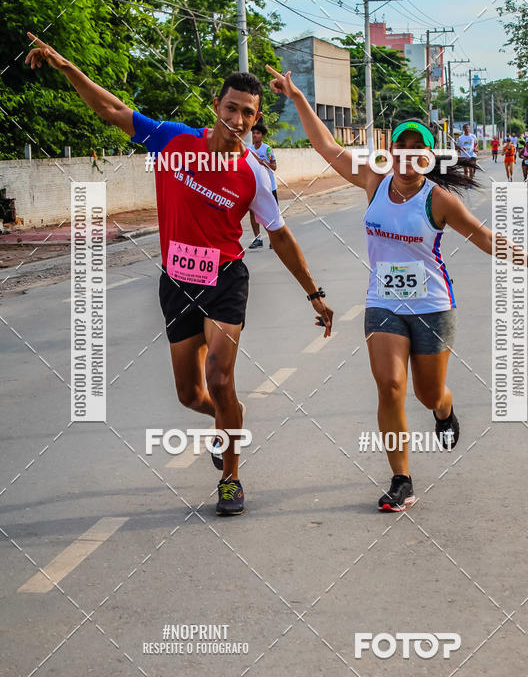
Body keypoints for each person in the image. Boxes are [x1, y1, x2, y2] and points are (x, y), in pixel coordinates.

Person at [26, 33, 333, 516]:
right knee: (193, 395)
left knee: (220, 375)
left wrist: (314, 293)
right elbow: (111, 109)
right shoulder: (173, 139)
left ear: (256, 119)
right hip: (177, 282)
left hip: (226, 279)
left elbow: (279, 236)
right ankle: (229, 418)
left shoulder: (254, 174)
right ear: (216, 106)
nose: (237, 120)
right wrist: (67, 65)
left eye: (248, 113)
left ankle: (230, 478)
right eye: (231, 108)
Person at [266, 64, 528, 513]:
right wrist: (297, 98)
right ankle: (401, 479)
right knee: (390, 386)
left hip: (432, 306)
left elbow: (489, 240)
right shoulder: (373, 181)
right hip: (383, 304)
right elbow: (328, 147)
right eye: (402, 147)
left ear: (428, 158)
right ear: (391, 152)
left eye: (419, 150)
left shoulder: (438, 200)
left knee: (428, 393)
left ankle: (445, 411)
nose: (409, 156)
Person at [248, 122, 278, 248]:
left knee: (271, 213)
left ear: (262, 136)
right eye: (253, 133)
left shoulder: (267, 149)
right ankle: (258, 238)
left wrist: (262, 162)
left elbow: (274, 166)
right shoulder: (248, 149)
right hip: (254, 186)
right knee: (253, 212)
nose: (255, 135)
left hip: (269, 186)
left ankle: (274, 239)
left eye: (258, 133)